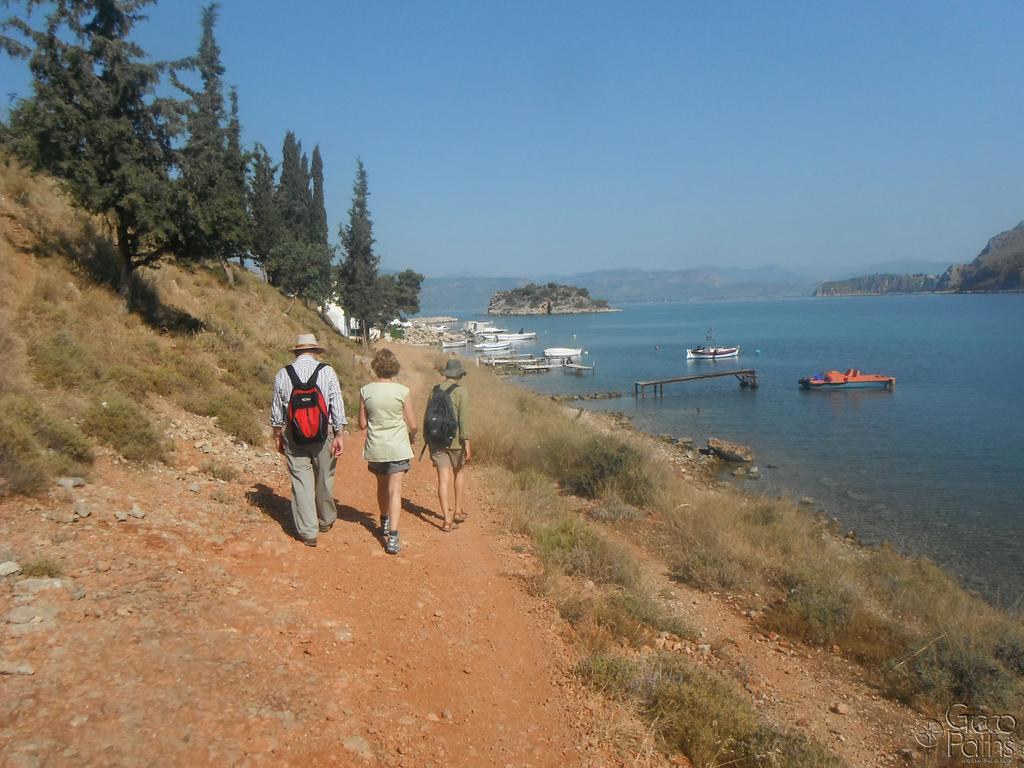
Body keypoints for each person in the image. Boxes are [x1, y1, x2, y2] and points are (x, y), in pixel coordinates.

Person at [271, 334, 346, 547]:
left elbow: (277, 409)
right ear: (315, 352)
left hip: (294, 435)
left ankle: (308, 531)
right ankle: (325, 520)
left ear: (296, 352)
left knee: (301, 482)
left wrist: (277, 435)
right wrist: (339, 433)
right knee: (324, 477)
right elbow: (336, 404)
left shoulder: (283, 374)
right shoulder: (327, 371)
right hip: (325, 433)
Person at [359, 349, 417, 555]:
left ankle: (383, 519)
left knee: (381, 486)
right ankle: (392, 535)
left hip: (376, 447)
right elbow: (413, 423)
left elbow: (362, 424)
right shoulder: (402, 391)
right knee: (396, 490)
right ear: (394, 368)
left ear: (376, 367)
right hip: (398, 447)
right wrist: (413, 436)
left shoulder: (366, 391)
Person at [426, 358, 471, 532]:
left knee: (442, 479)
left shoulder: (434, 390)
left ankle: (446, 520)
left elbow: (427, 417)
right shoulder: (462, 392)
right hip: (455, 441)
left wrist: (428, 440)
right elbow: (464, 421)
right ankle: (457, 511)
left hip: (436, 440)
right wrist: (466, 442)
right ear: (460, 375)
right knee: (459, 472)